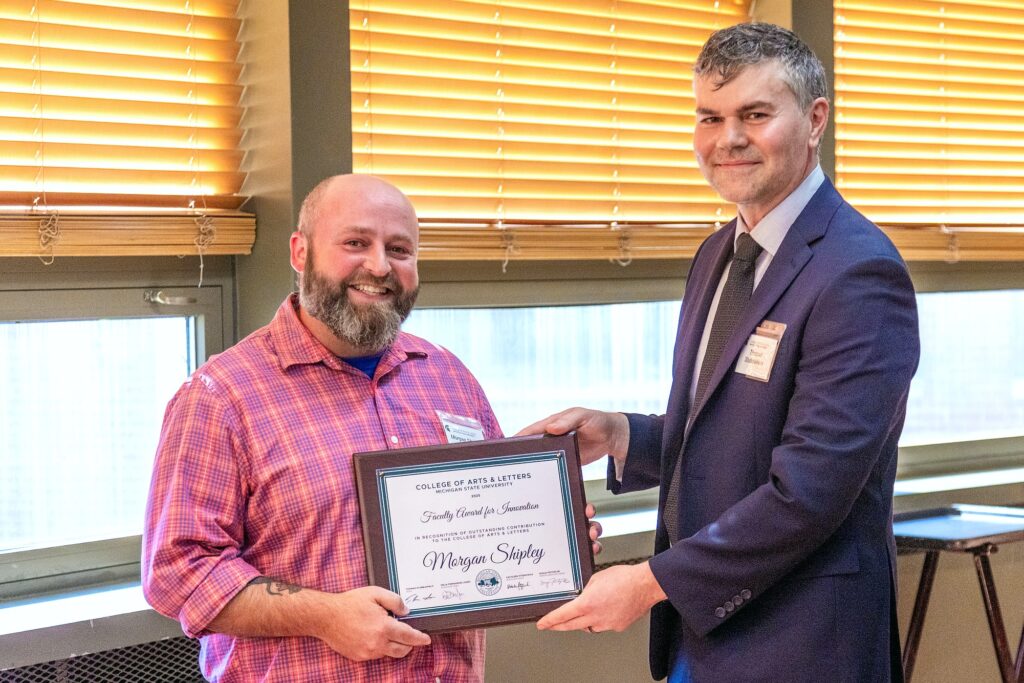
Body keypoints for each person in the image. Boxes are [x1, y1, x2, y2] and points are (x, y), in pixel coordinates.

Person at [521, 23, 920, 682]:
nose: (726, 138)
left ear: (815, 119)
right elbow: (727, 437)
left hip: (801, 641)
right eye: (709, 117)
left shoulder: (859, 274)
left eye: (754, 115)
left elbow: (808, 494)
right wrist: (621, 434)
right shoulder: (716, 256)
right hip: (701, 637)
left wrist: (648, 582)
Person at [141, 174, 503, 682]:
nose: (379, 266)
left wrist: (557, 530)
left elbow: (490, 514)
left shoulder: (449, 377)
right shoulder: (220, 397)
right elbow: (178, 572)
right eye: (356, 243)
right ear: (299, 251)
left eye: (399, 249)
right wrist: (324, 616)